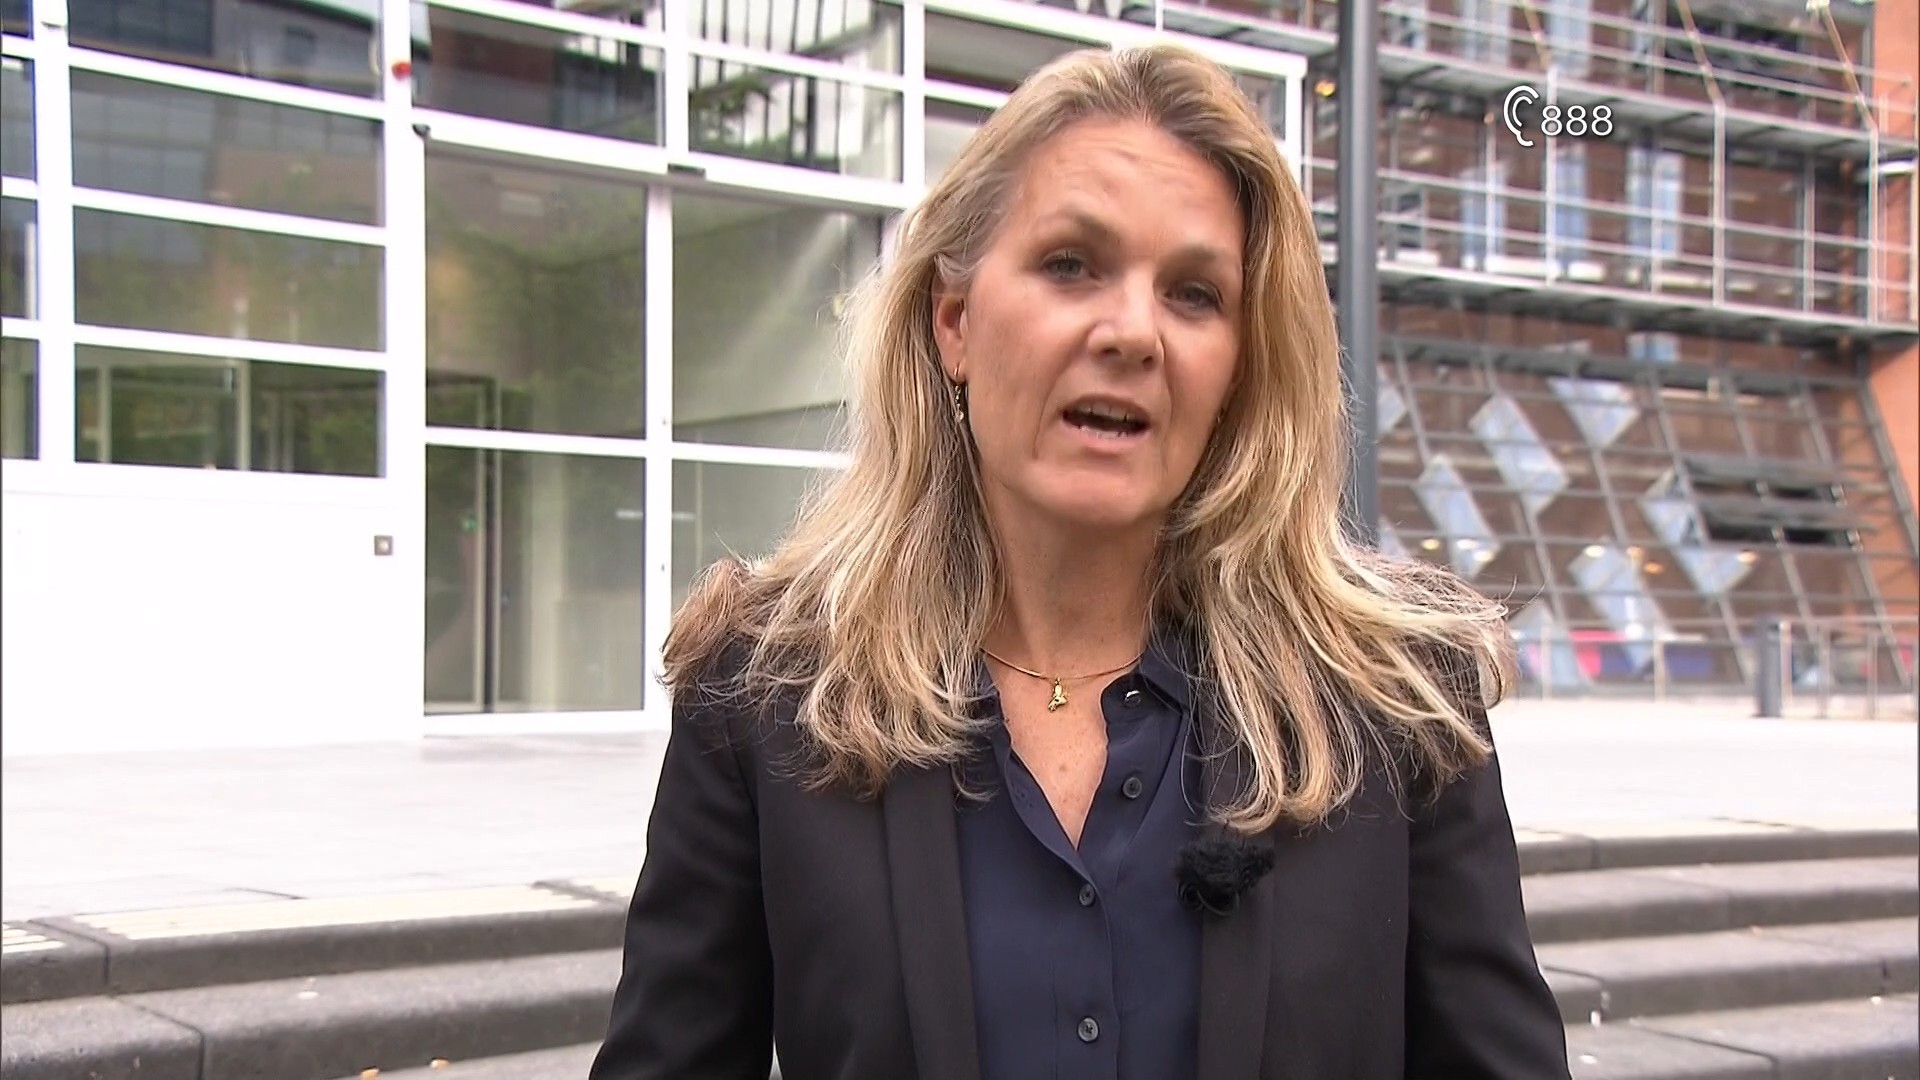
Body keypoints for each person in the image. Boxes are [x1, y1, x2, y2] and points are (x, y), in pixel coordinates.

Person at [589, 43, 1571, 1080]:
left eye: (1194, 293)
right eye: (1071, 265)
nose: (1134, 333)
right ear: (955, 321)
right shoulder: (762, 693)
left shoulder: (1400, 703)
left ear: (1240, 366)